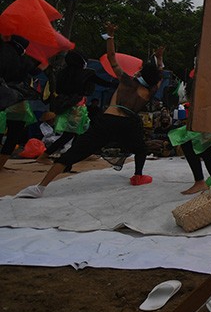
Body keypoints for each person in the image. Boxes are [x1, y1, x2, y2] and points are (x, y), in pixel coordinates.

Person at [16, 23, 165, 198]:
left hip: (108, 120)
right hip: (129, 124)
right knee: (140, 149)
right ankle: (138, 176)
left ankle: (40, 187)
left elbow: (111, 57)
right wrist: (159, 60)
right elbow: (159, 76)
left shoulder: (126, 80)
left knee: (74, 152)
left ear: (141, 74)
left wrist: (110, 36)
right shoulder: (149, 91)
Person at [37, 50, 112, 165]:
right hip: (77, 108)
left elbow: (58, 89)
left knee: (78, 133)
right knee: (71, 134)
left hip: (66, 106)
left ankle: (77, 154)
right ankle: (46, 156)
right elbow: (103, 83)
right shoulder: (86, 73)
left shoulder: (62, 73)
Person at [0, 35, 40, 172]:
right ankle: (0, 165)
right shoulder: (23, 60)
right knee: (13, 135)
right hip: (16, 101)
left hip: (2, 99)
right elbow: (34, 71)